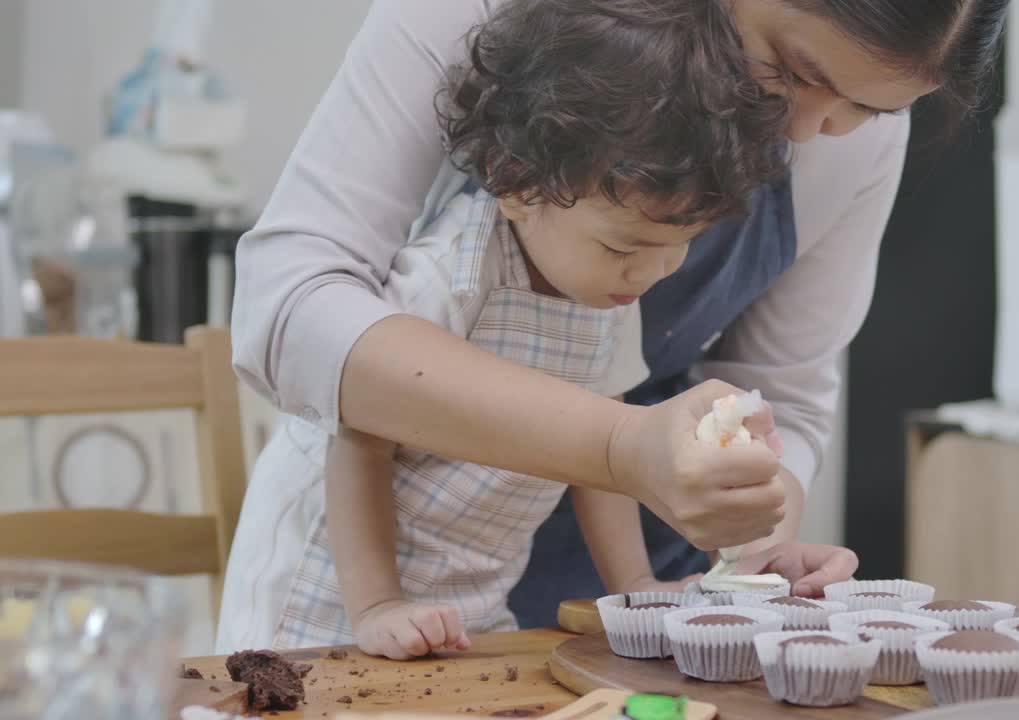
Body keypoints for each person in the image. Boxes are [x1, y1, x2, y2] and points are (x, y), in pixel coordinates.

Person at [230, 0, 1010, 631]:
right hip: (363, 584)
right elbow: (291, 313)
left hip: (615, 589)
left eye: (865, 111)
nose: (805, 133)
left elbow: (779, 396)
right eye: (794, 71)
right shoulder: (460, 250)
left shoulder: (840, 136)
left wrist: (753, 537)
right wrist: (621, 445)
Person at [216, 0, 792, 655]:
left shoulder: (610, 297)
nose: (652, 274)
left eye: (679, 245)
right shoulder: (453, 274)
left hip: (466, 606)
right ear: (517, 184)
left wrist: (635, 583)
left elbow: (608, 466)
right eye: (625, 249)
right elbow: (358, 442)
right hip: (328, 594)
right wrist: (378, 603)